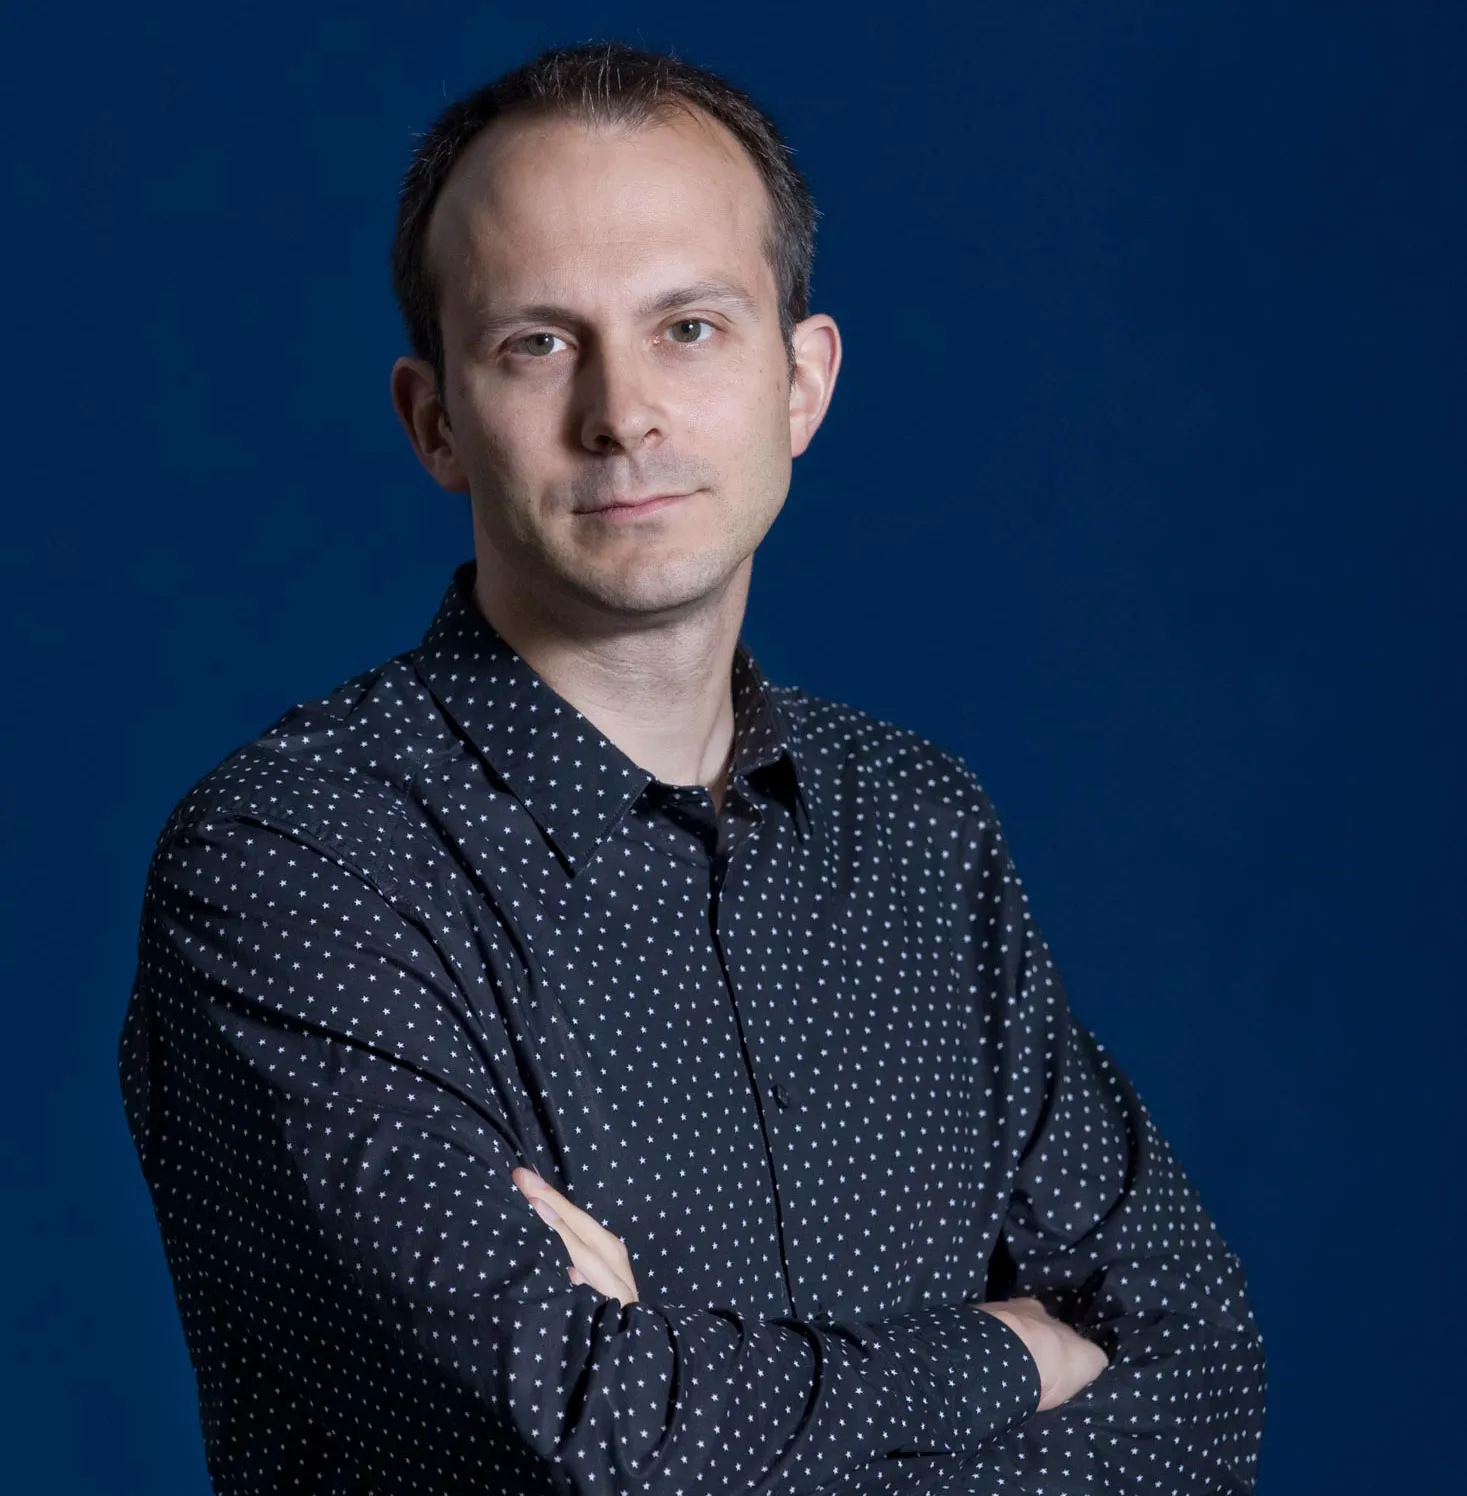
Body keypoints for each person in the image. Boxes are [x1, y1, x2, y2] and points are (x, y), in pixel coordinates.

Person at [118, 39, 1266, 1496]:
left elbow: (1201, 1378)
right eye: (538, 343)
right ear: (435, 422)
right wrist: (1008, 1355)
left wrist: (675, 1394)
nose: (623, 412)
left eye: (690, 327)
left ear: (801, 383)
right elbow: (590, 1445)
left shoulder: (917, 830)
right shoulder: (293, 866)